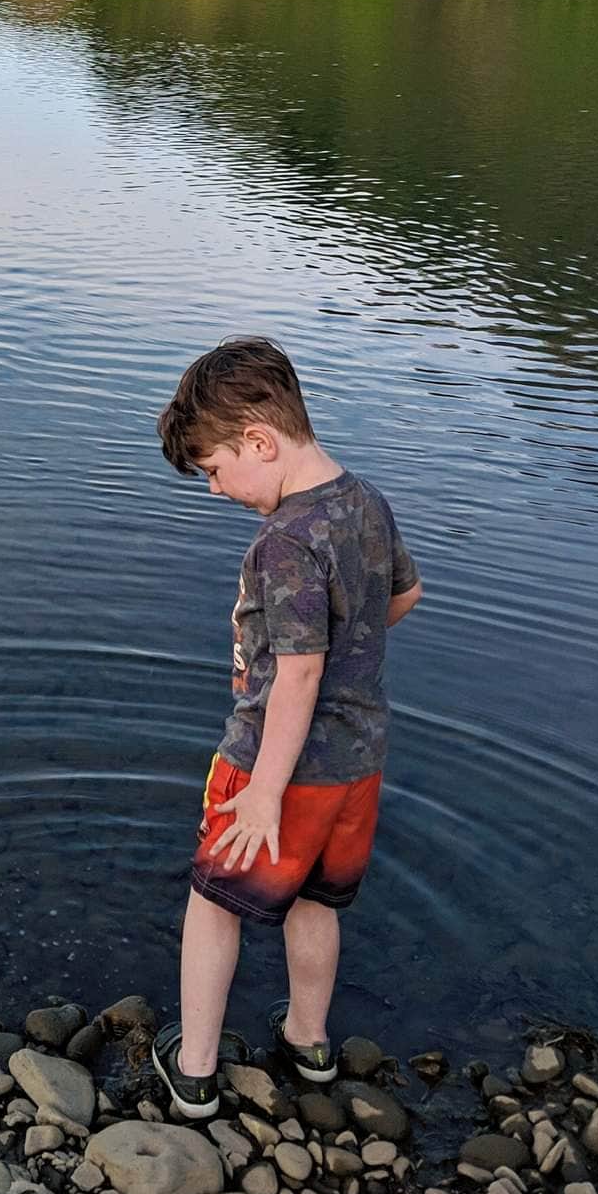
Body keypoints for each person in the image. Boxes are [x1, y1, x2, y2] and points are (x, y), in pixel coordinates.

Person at [150, 337, 424, 1119]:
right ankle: (308, 1043)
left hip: (278, 766)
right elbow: (405, 597)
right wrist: (350, 667)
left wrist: (265, 788)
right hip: (358, 763)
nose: (215, 491)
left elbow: (298, 673)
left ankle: (196, 1071)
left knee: (214, 901)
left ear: (260, 442)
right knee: (316, 904)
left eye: (214, 470)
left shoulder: (285, 543)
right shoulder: (367, 501)